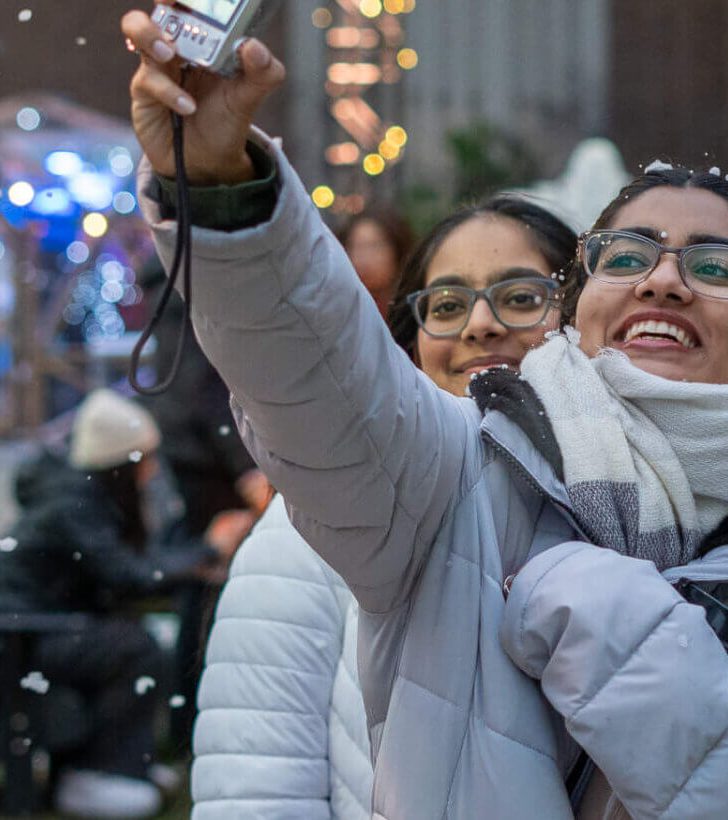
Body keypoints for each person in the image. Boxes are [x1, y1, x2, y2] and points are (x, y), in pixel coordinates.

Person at [122, 17, 728, 819]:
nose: (663, 279)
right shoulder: (460, 466)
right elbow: (318, 380)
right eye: (625, 258)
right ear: (580, 314)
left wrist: (609, 618)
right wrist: (221, 184)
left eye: (715, 265)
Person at [191, 193, 573, 820]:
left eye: (522, 297)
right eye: (447, 305)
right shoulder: (301, 535)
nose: (480, 324)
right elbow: (257, 793)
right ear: (412, 339)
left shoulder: (632, 515)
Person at [0, 390, 246, 819]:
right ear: (120, 464)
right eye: (145, 459)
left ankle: (120, 767)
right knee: (134, 649)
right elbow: (129, 574)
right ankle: (101, 774)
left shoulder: (80, 496)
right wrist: (206, 550)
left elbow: (128, 570)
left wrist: (192, 559)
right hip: (7, 648)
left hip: (27, 635)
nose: (152, 470)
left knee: (132, 644)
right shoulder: (73, 505)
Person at [337, 207, 416, 315]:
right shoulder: (338, 308)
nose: (363, 259)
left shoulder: (415, 307)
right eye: (355, 247)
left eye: (374, 247)